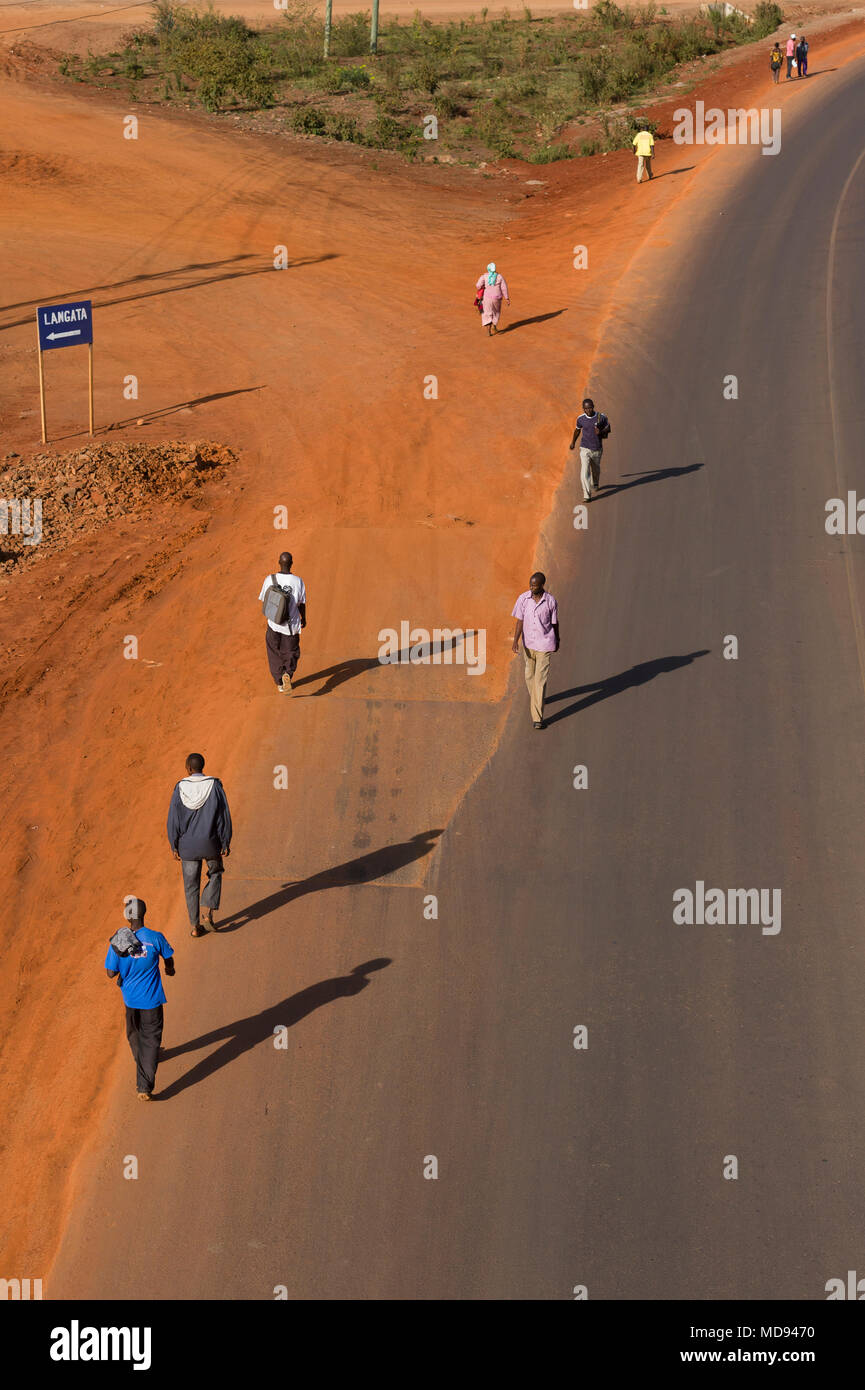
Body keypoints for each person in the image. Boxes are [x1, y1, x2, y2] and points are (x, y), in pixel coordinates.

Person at [105, 897, 175, 1101]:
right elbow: (168, 957)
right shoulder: (155, 938)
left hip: (130, 1001)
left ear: (127, 916)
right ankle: (144, 1086)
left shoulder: (118, 941)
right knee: (151, 1040)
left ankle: (143, 1061)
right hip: (152, 1001)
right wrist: (169, 968)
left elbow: (110, 973)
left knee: (133, 1034)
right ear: (144, 914)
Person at [166, 753, 233, 937]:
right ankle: (208, 913)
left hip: (187, 847)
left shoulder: (180, 788)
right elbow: (223, 817)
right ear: (202, 767)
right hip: (211, 843)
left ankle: (195, 927)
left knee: (190, 885)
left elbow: (174, 819)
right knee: (216, 873)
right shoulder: (215, 786)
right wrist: (225, 840)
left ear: (188, 768)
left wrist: (174, 844)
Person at [511, 572, 559, 730]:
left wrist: (557, 639)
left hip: (544, 645)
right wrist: (515, 640)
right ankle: (537, 699)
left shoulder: (550, 601)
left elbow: (554, 623)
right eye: (530, 585)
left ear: (542, 585)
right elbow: (520, 621)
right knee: (529, 675)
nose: (531, 588)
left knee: (540, 680)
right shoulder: (523, 599)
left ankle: (537, 718)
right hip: (528, 644)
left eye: (535, 585)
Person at [258, 551, 306, 694]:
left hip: (273, 624)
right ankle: (287, 674)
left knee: (273, 651)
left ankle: (279, 681)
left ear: (279, 562)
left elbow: (264, 600)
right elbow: (301, 603)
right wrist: (304, 618)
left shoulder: (269, 579)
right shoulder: (298, 581)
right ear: (291, 564)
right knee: (291, 652)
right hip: (290, 627)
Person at [570, 397, 610, 502]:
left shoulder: (601, 417)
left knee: (595, 470)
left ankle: (595, 482)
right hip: (585, 448)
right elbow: (577, 430)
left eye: (590, 408)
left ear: (593, 407)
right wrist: (573, 442)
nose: (588, 410)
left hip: (597, 449)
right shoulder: (580, 419)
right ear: (583, 409)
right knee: (584, 471)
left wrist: (600, 432)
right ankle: (587, 495)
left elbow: (608, 428)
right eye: (586, 409)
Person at [475, 263, 510, 337]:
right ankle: (494, 326)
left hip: (487, 298)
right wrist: (507, 298)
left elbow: (478, 286)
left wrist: (483, 286)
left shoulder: (484, 276)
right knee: (496, 312)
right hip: (497, 299)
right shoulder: (500, 277)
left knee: (487, 314)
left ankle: (488, 331)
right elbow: (504, 288)